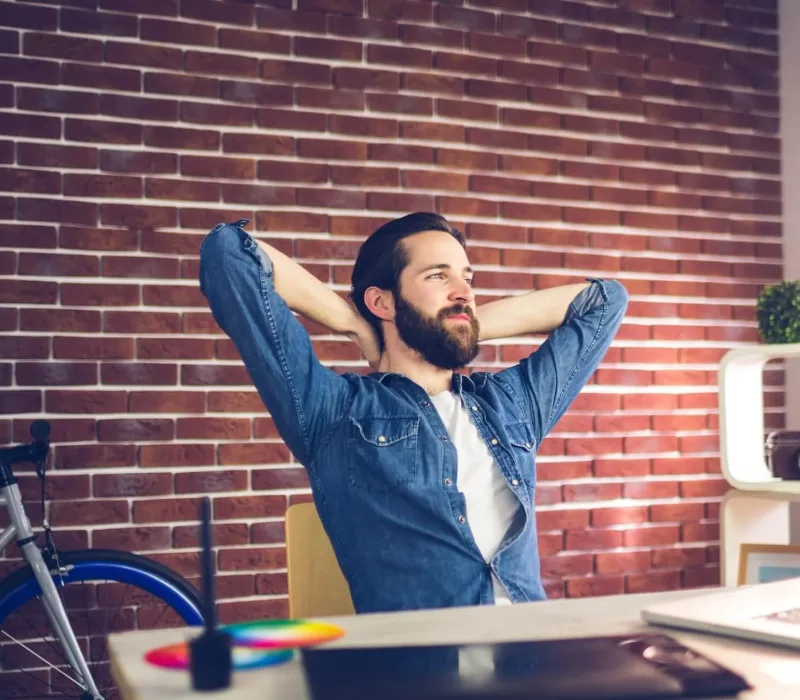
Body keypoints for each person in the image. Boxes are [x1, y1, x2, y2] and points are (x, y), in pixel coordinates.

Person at [199, 212, 628, 614]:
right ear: (383, 302)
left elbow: (606, 301)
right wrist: (355, 324)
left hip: (536, 661)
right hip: (423, 674)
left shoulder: (511, 402)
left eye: (467, 278)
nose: (464, 291)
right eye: (438, 275)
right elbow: (229, 252)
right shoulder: (333, 411)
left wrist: (462, 321)